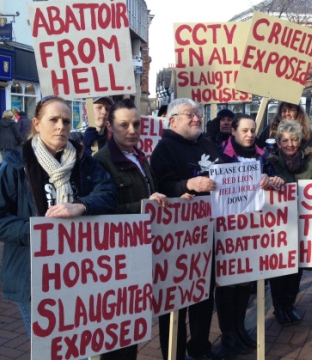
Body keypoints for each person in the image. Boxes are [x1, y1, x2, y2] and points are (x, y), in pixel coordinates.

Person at [0, 96, 118, 338]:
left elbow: (109, 193)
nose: (61, 127)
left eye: (66, 120)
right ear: (37, 123)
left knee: (76, 344)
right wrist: (35, 231)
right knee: (50, 347)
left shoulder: (83, 160)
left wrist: (82, 205)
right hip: (34, 277)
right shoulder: (17, 165)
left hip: (78, 272)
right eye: (53, 120)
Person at [94, 98, 169, 359]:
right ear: (109, 127)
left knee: (133, 326)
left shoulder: (139, 155)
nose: (132, 130)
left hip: (140, 250)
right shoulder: (101, 162)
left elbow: (150, 193)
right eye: (124, 125)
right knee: (115, 330)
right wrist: (142, 207)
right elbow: (101, 212)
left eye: (136, 124)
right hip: (116, 258)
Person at [150, 98, 222, 360]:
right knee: (175, 302)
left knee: (203, 294)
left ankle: (200, 346)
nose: (196, 119)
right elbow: (160, 189)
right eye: (190, 115)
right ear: (173, 120)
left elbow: (228, 170)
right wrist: (186, 185)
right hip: (176, 241)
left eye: (198, 114)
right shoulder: (164, 149)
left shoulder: (206, 142)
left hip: (206, 234)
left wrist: (252, 176)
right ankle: (175, 354)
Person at [215, 113, 270, 357]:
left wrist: (270, 180)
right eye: (244, 130)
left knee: (245, 283)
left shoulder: (262, 157)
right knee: (227, 285)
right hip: (226, 230)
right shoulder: (219, 156)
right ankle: (228, 334)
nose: (249, 135)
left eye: (252, 130)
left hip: (252, 230)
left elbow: (272, 185)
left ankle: (239, 328)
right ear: (233, 132)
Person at [263, 120, 312, 326]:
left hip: (304, 220)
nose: (290, 144)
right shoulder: (269, 161)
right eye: (284, 140)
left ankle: (289, 303)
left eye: (294, 139)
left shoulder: (311, 159)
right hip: (278, 224)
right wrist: (268, 180)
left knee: (297, 269)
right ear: (278, 142)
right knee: (279, 270)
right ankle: (279, 307)